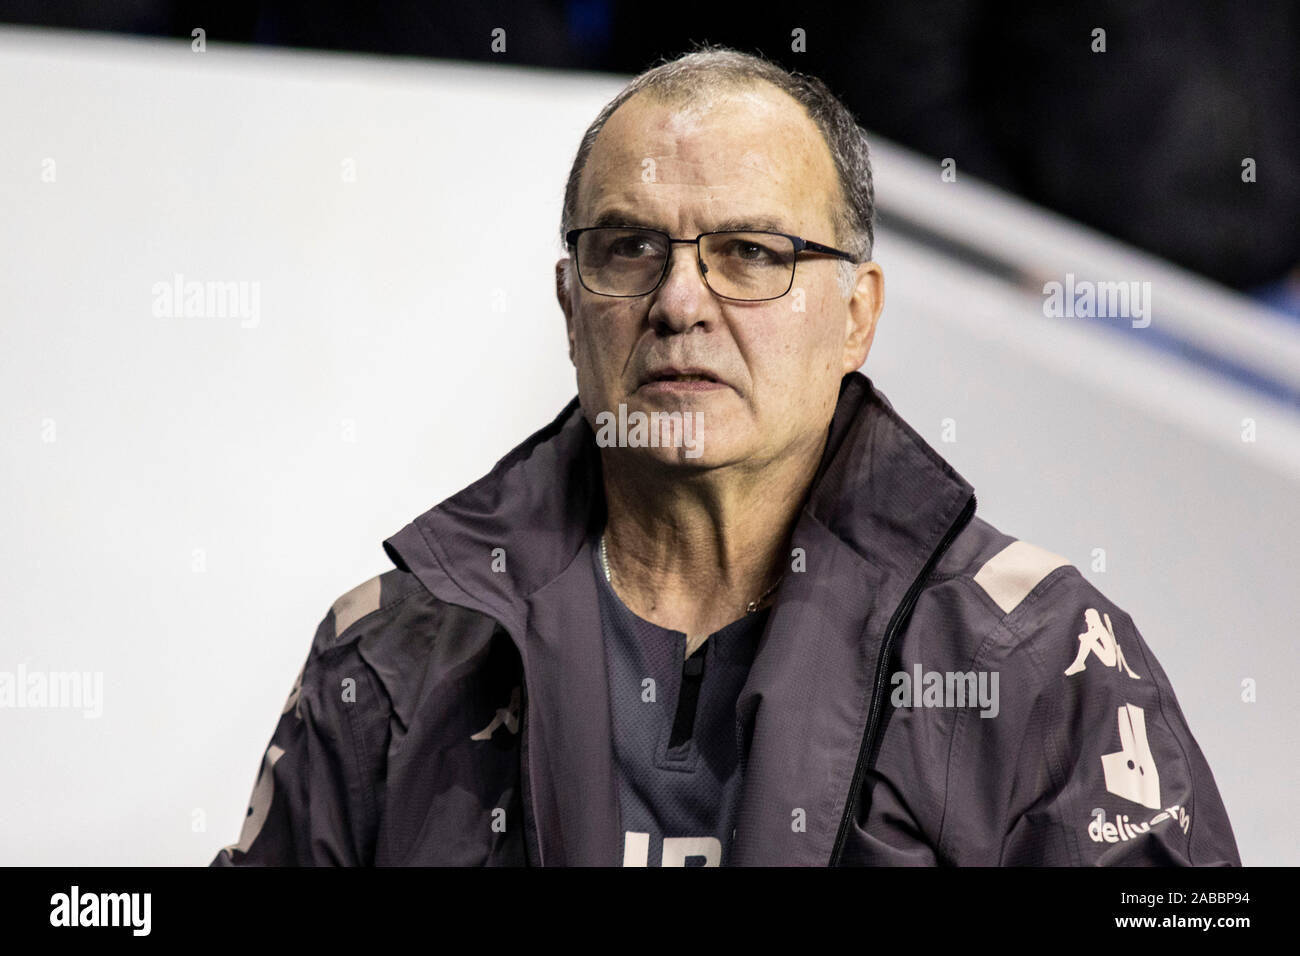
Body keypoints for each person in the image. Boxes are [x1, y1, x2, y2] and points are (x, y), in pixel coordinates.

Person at [211, 45, 1240, 867]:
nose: (679, 302)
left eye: (751, 252)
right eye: (628, 248)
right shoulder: (391, 650)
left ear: (856, 316)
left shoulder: (1039, 656)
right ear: (571, 307)